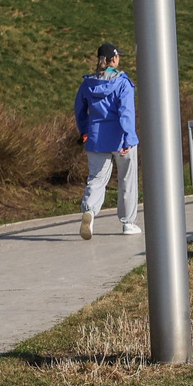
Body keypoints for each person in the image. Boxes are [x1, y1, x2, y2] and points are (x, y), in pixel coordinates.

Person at [74, 43, 139, 241]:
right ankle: (128, 223)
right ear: (114, 59)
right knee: (127, 180)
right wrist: (129, 137)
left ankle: (90, 212)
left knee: (96, 179)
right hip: (120, 139)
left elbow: (79, 110)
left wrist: (84, 131)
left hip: (95, 138)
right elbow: (126, 113)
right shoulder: (123, 83)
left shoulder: (87, 84)